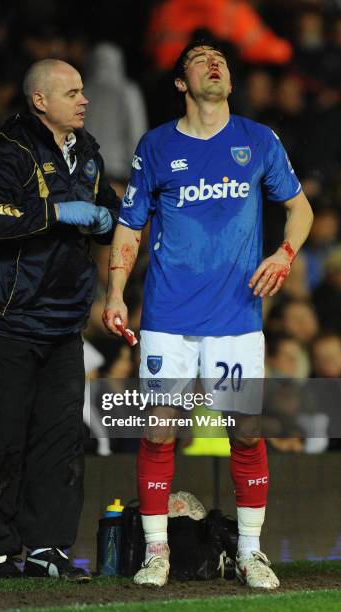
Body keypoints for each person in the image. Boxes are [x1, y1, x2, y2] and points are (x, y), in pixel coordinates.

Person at [103, 40, 313, 588]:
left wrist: (284, 254)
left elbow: (299, 208)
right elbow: (130, 226)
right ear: (180, 82)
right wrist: (116, 291)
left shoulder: (258, 140)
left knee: (244, 434)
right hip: (167, 319)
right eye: (200, 58)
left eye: (220, 58)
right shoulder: (155, 146)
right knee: (158, 434)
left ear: (231, 81)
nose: (214, 62)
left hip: (236, 318)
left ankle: (250, 552)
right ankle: (156, 552)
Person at [0, 59, 120, 580]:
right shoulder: (6, 153)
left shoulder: (88, 154)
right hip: (3, 322)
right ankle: (2, 551)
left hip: (63, 323)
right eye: (73, 92)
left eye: (82, 91)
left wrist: (109, 220)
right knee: (1, 438)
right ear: (40, 101)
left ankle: (49, 548)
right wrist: (55, 213)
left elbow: (111, 217)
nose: (85, 100)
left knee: (60, 440)